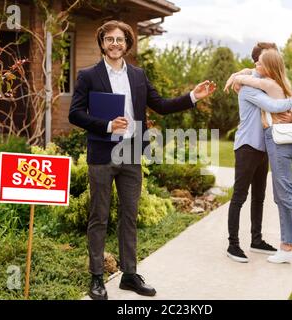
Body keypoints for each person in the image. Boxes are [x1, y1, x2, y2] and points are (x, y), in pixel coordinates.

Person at [68, 20, 216, 300]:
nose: (115, 44)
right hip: (102, 153)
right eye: (109, 39)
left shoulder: (138, 75)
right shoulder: (88, 75)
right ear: (102, 43)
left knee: (129, 216)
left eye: (120, 39)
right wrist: (108, 125)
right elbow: (75, 114)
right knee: (99, 215)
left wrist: (193, 97)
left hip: (132, 153)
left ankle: (129, 275)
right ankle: (97, 277)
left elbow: (160, 105)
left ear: (127, 44)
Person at [228, 49, 292, 266]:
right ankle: (239, 244)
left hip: (272, 145)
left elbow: (273, 104)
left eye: (259, 62)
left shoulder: (268, 84)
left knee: (277, 194)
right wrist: (238, 77)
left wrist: (238, 76)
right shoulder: (256, 86)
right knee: (250, 196)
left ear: (268, 67)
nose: (255, 65)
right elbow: (271, 103)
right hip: (250, 145)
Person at [222, 43, 292, 263]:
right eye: (263, 59)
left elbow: (269, 89)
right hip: (246, 147)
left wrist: (239, 73)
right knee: (239, 197)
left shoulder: (256, 81)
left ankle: (256, 239)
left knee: (259, 197)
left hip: (263, 147)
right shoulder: (247, 87)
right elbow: (272, 106)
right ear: (258, 61)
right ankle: (233, 245)